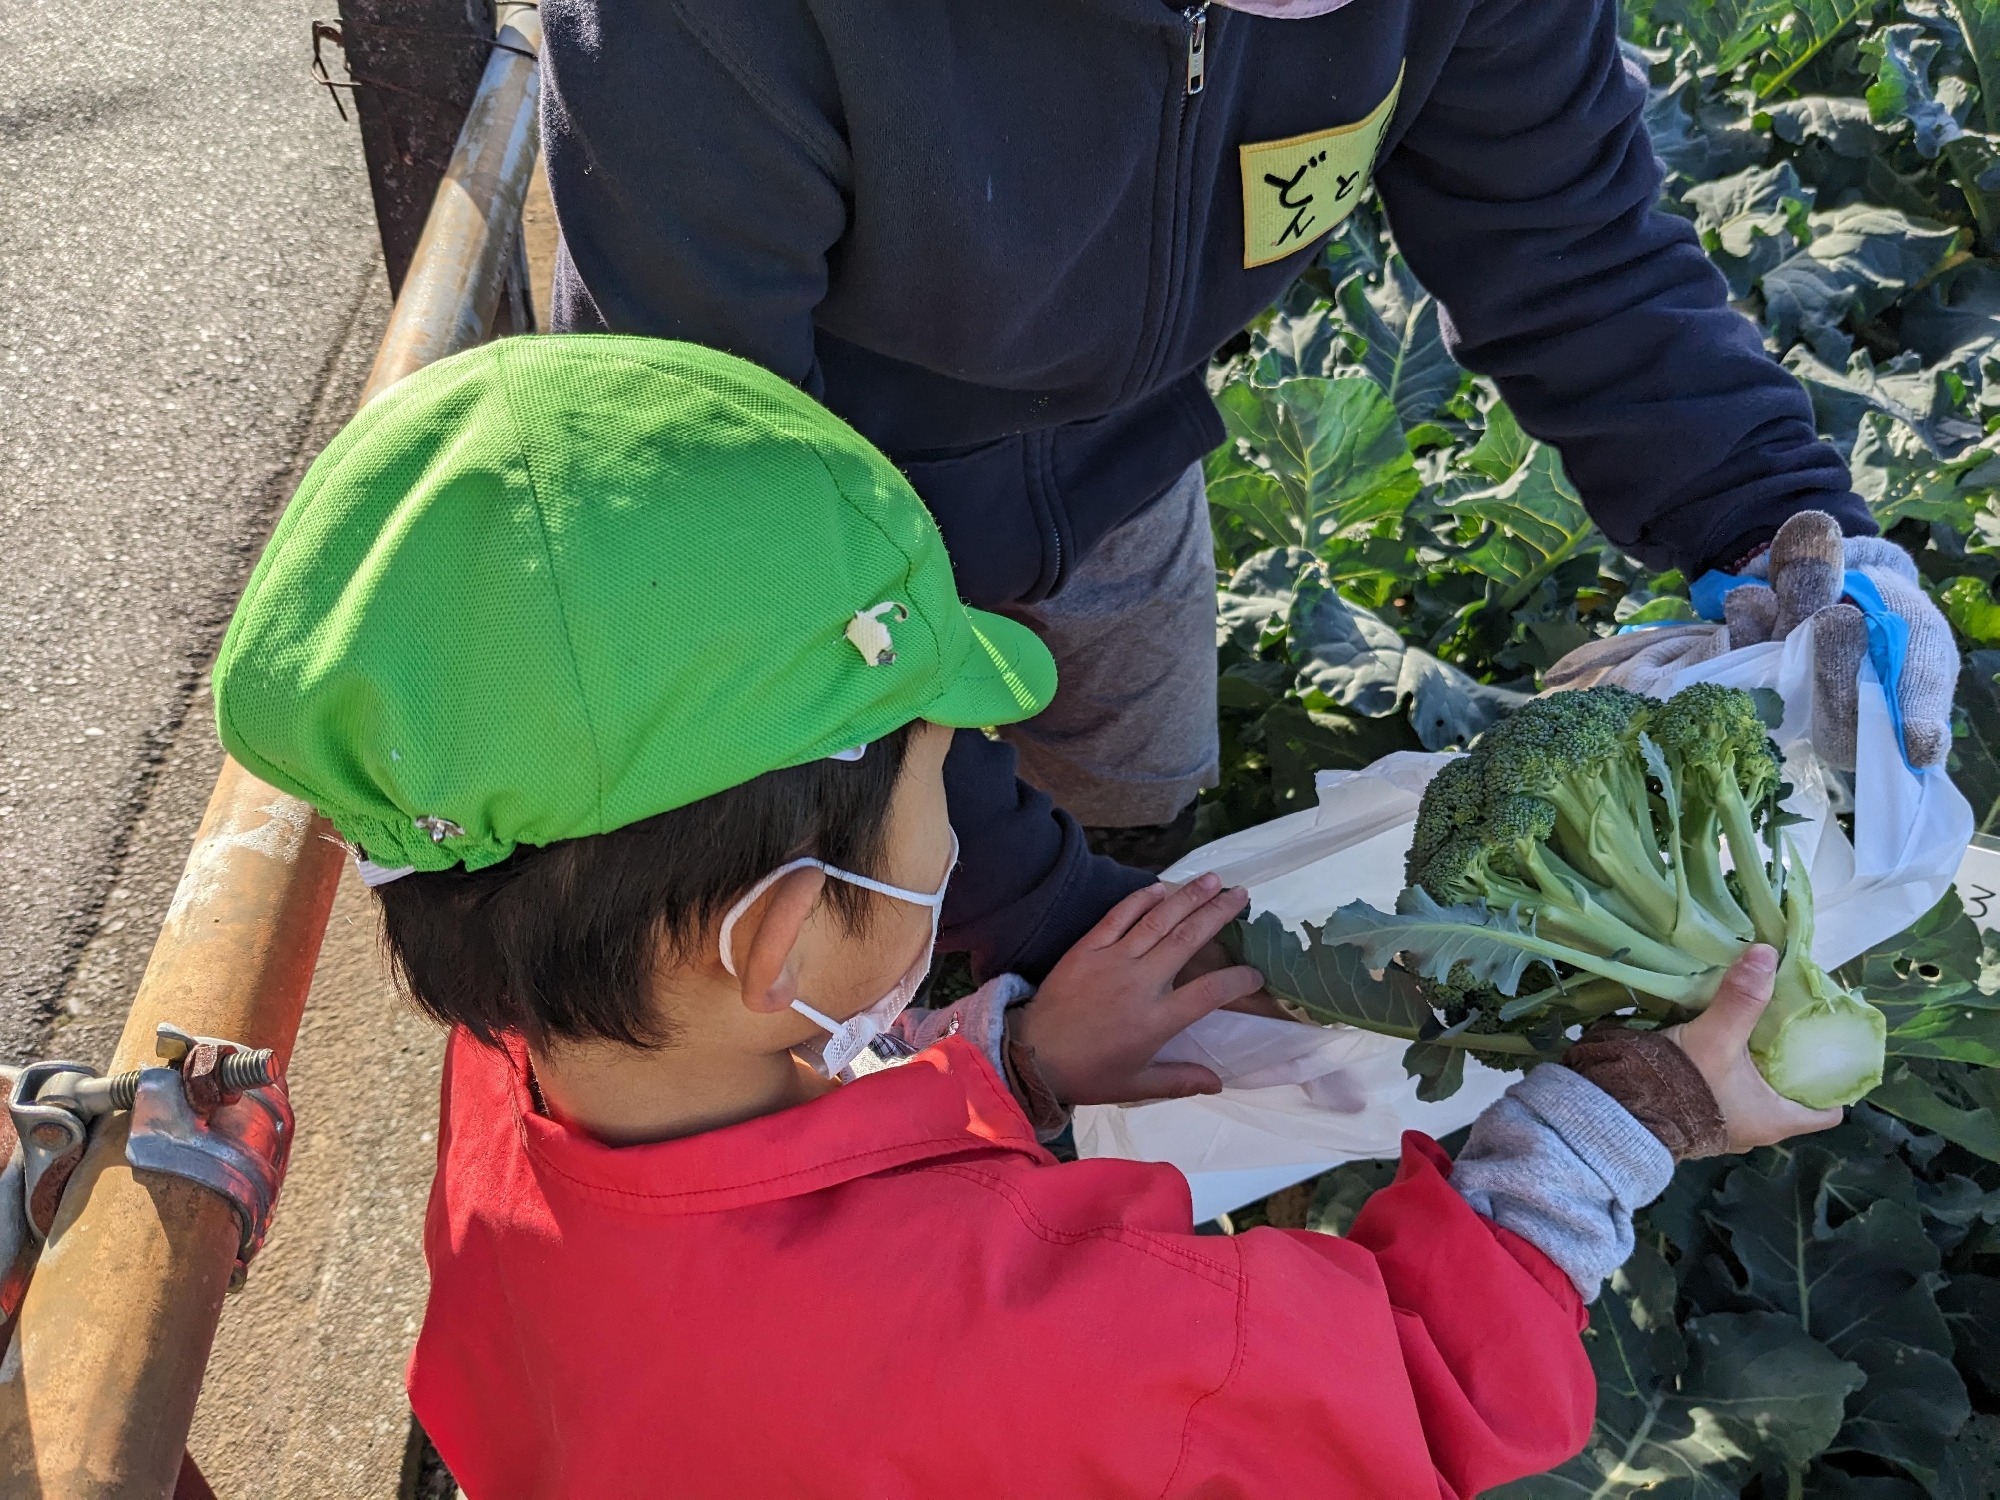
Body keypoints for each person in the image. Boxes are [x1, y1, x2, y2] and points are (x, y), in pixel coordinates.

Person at [212, 337, 1840, 1497]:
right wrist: (1627, 1116)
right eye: (943, 767)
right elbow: (1418, 1397)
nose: (963, 804)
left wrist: (1017, 1075)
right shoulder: (1054, 1338)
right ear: (787, 935)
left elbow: (761, 1212)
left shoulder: (511, 1079)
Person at [534, 0, 1960, 989]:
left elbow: (1576, 256)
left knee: (1136, 791)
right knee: (842, 926)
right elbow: (736, 539)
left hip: (1122, 468)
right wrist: (1045, 926)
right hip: (795, 506)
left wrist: (1772, 518)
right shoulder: (698, 28)